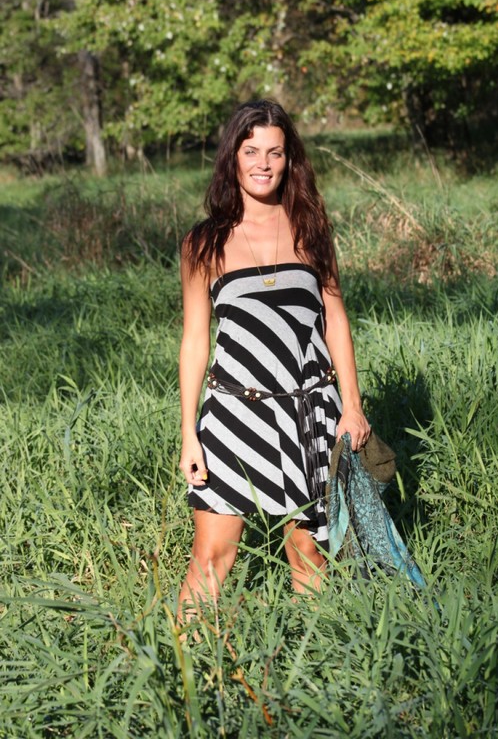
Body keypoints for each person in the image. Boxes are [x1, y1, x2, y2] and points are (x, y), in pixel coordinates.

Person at [178, 99, 370, 620]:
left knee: (309, 554)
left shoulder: (311, 230)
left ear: (290, 160)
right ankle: (181, 666)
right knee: (210, 558)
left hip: (309, 413)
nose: (263, 164)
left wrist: (352, 406)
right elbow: (195, 341)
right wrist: (189, 432)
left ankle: (317, 659)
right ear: (233, 157)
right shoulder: (203, 243)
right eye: (251, 151)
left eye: (275, 153)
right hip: (233, 416)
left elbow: (335, 320)